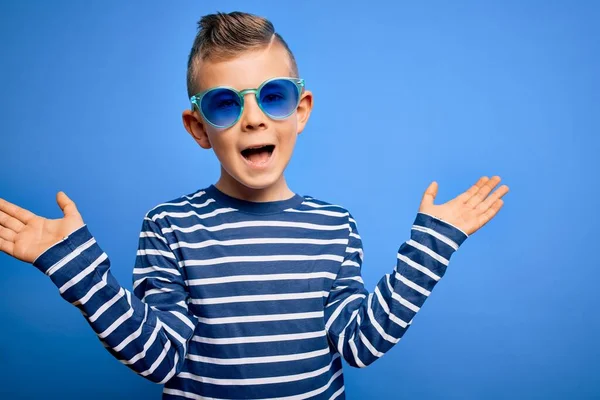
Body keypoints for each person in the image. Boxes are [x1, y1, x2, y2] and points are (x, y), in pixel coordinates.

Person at [0, 11, 509, 400]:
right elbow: (156, 358)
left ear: (301, 110)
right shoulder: (170, 226)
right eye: (225, 103)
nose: (253, 119)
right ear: (199, 128)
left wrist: (431, 248)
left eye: (274, 96)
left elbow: (362, 344)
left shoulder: (335, 227)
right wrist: (79, 272)